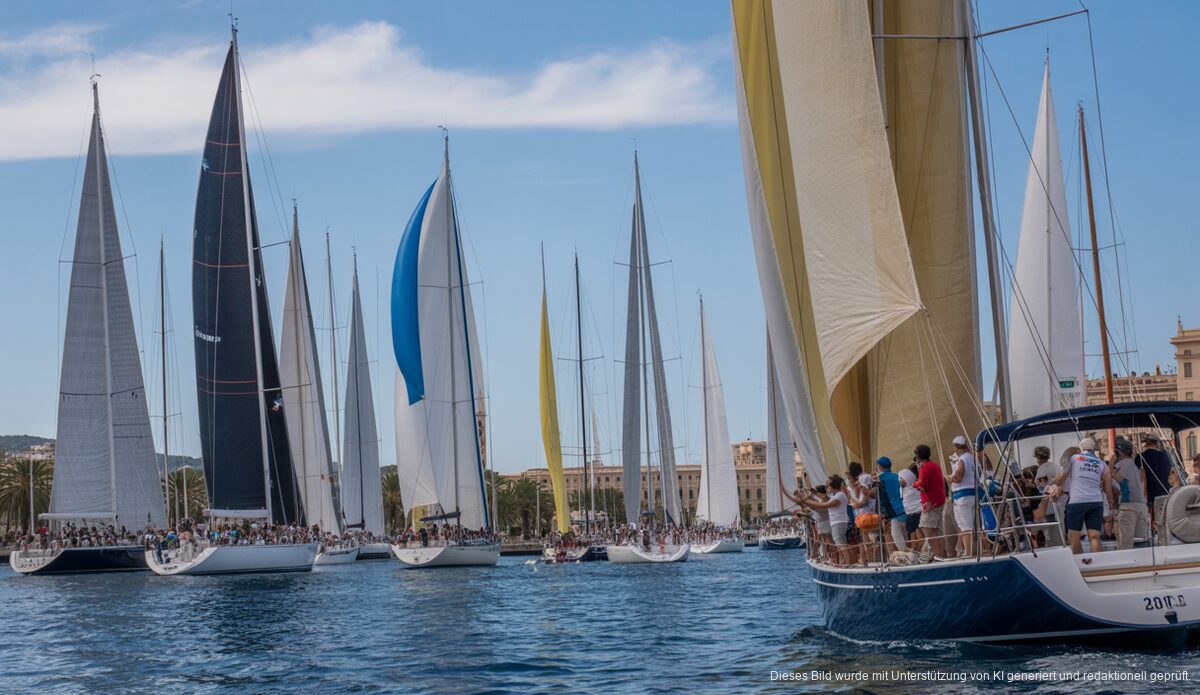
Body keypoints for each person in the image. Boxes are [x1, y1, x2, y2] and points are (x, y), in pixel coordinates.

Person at [1048, 437, 1111, 555]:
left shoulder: (1074, 458)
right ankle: (1097, 561)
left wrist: (1054, 485)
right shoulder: (1102, 463)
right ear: (1094, 448)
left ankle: (1079, 563)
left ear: (1081, 447)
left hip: (1077, 502)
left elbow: (1063, 475)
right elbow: (1107, 487)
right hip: (1096, 502)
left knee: (1074, 537)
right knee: (1094, 536)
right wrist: (1111, 504)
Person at [801, 476, 850, 565]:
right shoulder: (835, 495)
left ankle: (848, 562)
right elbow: (822, 496)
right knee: (839, 542)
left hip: (839, 522)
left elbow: (822, 505)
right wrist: (813, 493)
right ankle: (843, 561)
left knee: (840, 543)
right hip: (836, 522)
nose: (826, 488)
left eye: (828, 486)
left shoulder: (839, 496)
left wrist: (806, 500)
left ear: (832, 486)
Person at [1110, 437, 1147, 550]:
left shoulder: (1122, 464)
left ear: (1119, 452)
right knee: (1140, 542)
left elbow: (1113, 480)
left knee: (1125, 543)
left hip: (1128, 506)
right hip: (1141, 505)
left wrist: (1111, 464)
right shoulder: (1134, 465)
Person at [1137, 433, 1174, 546]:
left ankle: (1152, 543)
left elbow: (1139, 476)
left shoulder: (1140, 457)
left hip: (1149, 494)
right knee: (1163, 522)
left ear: (1146, 443)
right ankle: (1164, 544)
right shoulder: (1165, 455)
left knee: (1150, 523)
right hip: (1165, 492)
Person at [912, 445, 947, 559]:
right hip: (939, 500)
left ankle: (938, 555)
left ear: (918, 456)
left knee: (928, 529)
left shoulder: (925, 467)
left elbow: (922, 485)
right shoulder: (934, 465)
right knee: (936, 529)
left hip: (930, 502)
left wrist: (914, 484)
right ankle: (942, 554)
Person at [947, 435, 978, 558]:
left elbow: (958, 477)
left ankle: (968, 553)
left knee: (965, 526)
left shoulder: (962, 459)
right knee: (969, 524)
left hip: (962, 496)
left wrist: (949, 478)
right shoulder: (972, 457)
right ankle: (967, 551)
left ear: (957, 447)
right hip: (972, 494)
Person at [875, 457, 908, 556]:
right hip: (903, 508)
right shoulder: (896, 476)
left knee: (896, 536)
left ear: (879, 466)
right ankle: (906, 554)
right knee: (904, 535)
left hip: (893, 511)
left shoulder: (880, 478)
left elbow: (874, 493)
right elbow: (903, 483)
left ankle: (906, 555)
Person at [898, 463, 922, 547]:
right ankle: (915, 548)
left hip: (915, 511)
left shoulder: (911, 487)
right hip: (913, 511)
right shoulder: (912, 488)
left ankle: (917, 548)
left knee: (916, 532)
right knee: (914, 532)